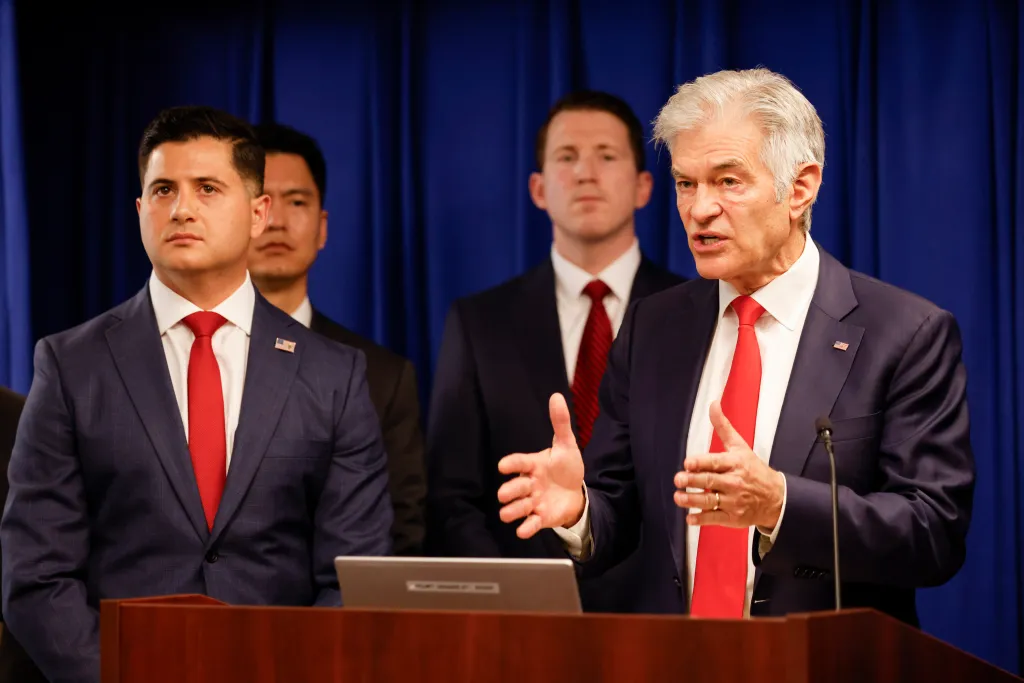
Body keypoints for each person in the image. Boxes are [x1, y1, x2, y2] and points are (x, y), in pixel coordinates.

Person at [496, 68, 975, 624]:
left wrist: (781, 505)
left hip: (822, 664)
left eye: (728, 181)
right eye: (685, 183)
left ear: (800, 188)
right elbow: (619, 511)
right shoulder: (654, 325)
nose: (699, 210)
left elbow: (934, 534)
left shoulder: (906, 334)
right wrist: (580, 510)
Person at [0, 106, 392, 683]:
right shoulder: (69, 365)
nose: (181, 208)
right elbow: (36, 578)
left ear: (259, 213)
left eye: (207, 188)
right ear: (140, 211)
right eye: (162, 190)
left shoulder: (334, 374)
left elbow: (355, 575)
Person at [427, 91, 685, 612]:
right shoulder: (479, 322)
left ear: (644, 187)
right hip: (521, 620)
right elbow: (452, 496)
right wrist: (511, 599)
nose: (586, 173)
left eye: (607, 156)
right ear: (539, 189)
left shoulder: (696, 315)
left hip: (666, 617)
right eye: (567, 157)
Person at [248, 122, 426, 555]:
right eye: (262, 203)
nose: (278, 221)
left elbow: (403, 534)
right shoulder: (190, 352)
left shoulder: (381, 376)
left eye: (297, 201)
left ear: (322, 227)